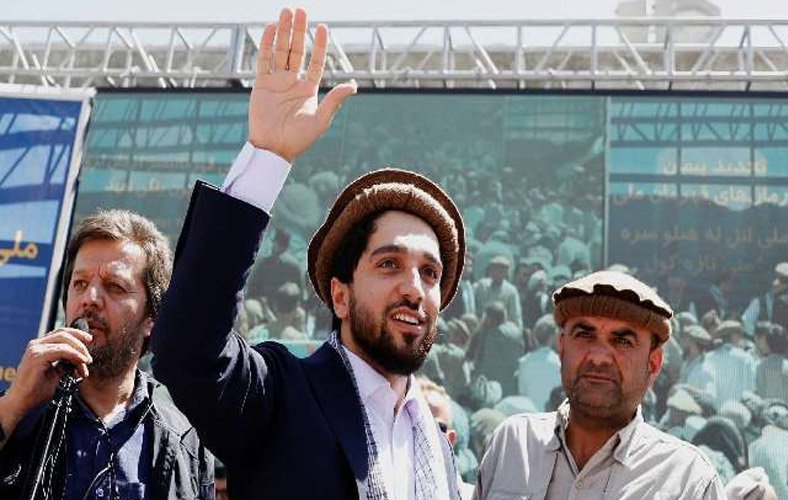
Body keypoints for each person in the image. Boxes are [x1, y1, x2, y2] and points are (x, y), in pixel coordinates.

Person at [149, 7, 463, 499]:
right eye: (389, 264)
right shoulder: (280, 396)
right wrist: (269, 155)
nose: (413, 288)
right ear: (340, 295)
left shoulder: (437, 446)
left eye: (430, 273)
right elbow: (188, 350)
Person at [0, 210, 214, 499]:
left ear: (152, 317)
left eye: (114, 287)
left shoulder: (185, 438)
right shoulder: (21, 413)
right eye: (80, 283)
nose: (90, 299)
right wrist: (13, 405)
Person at [474, 270, 725, 499]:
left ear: (653, 364)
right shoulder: (514, 444)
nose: (598, 357)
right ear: (562, 348)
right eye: (584, 335)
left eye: (623, 341)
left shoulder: (687, 481)